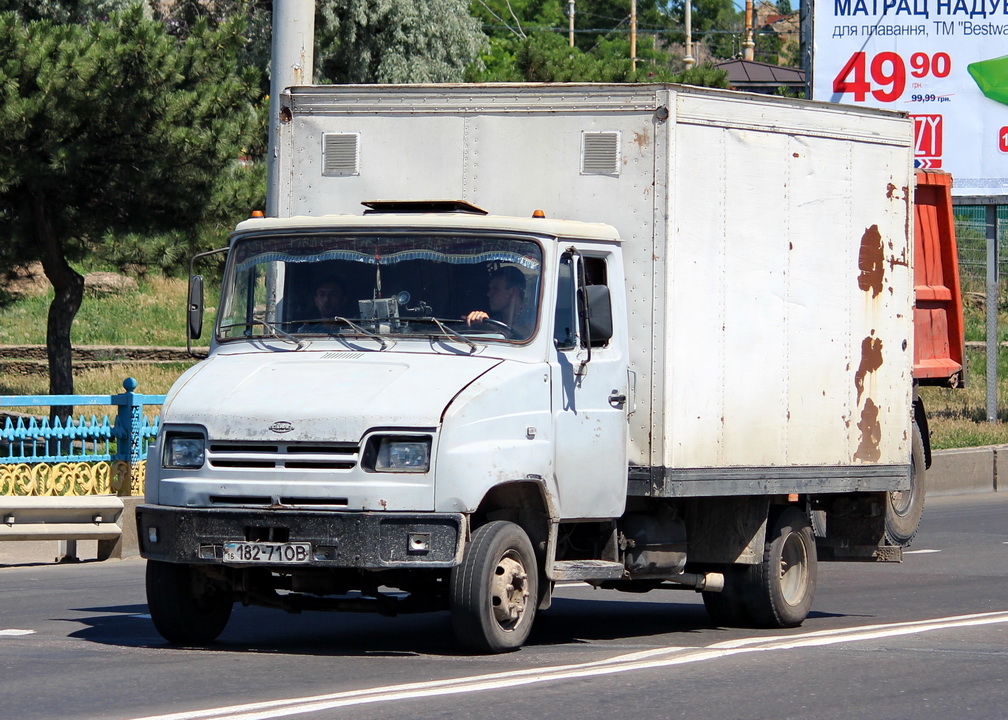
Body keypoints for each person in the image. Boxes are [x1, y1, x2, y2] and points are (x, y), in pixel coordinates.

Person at [465, 266, 534, 338]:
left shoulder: (533, 317)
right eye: (490, 288)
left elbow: (527, 334)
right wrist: (477, 320)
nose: (489, 294)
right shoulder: (496, 318)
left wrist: (493, 326)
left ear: (512, 292)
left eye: (495, 289)